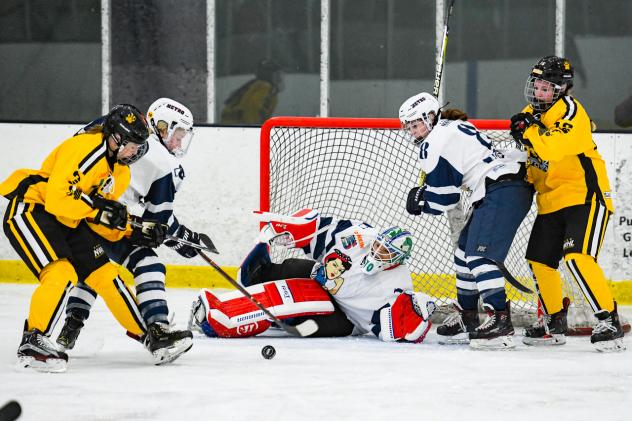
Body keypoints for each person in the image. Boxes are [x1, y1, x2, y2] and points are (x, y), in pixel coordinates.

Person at [0, 104, 179, 372]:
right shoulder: (85, 147)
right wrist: (99, 210)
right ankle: (33, 341)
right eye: (130, 145)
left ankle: (151, 337)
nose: (135, 152)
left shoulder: (120, 172)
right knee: (62, 273)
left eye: (138, 146)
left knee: (107, 276)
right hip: (32, 209)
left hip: (70, 222)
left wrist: (134, 228)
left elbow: (103, 221)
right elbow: (58, 200)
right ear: (114, 137)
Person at [56, 98, 201, 364]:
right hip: (109, 222)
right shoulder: (164, 166)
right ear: (161, 126)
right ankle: (157, 328)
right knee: (147, 262)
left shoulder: (113, 130)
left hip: (77, 216)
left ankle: (72, 324)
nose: (179, 143)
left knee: (91, 264)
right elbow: (158, 221)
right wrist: (184, 240)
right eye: (177, 135)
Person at [399, 92, 533, 350]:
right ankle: (468, 316)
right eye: (409, 127)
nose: (413, 132)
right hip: (504, 185)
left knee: (479, 257)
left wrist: (422, 200)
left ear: (429, 118)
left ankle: (500, 321)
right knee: (464, 252)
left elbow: (444, 201)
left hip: (502, 189)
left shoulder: (434, 142)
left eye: (416, 125)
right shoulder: (452, 125)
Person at [510, 56, 625, 352]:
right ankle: (553, 321)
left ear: (561, 89)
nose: (538, 92)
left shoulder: (573, 113)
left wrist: (528, 132)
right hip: (550, 202)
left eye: (546, 87)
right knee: (539, 260)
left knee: (577, 257)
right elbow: (533, 161)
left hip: (585, 197)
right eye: (536, 85)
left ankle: (608, 319)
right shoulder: (529, 113)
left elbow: (551, 148)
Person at [189, 209, 436, 343]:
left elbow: (391, 331)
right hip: (322, 281)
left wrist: (420, 314)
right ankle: (258, 276)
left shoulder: (399, 286)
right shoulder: (361, 237)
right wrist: (296, 231)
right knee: (296, 266)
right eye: (379, 246)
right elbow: (324, 229)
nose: (379, 253)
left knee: (304, 326)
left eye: (387, 253)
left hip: (346, 320)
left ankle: (262, 320)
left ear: (399, 259)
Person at [220, 59, 283, 125]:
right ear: (268, 75)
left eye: (279, 75)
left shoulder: (256, 85)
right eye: (276, 75)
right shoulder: (264, 88)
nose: (279, 79)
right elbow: (252, 109)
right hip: (238, 127)